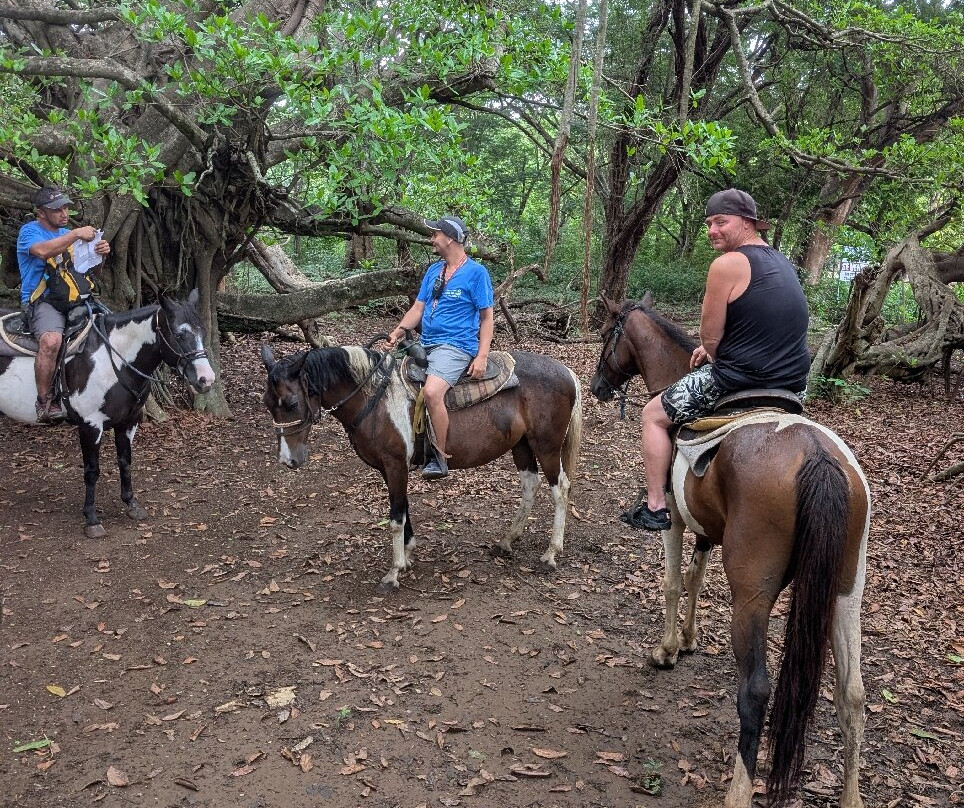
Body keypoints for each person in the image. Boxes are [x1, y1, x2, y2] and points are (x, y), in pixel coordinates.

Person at [632, 188, 810, 530]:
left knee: (653, 415)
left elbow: (710, 337)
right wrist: (717, 347)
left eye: (721, 222)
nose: (713, 230)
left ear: (747, 222)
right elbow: (765, 322)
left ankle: (655, 506)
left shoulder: (727, 264)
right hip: (793, 383)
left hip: (740, 378)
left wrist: (712, 350)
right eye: (709, 223)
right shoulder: (781, 260)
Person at [387, 215, 495, 480]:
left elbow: (487, 317)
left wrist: (481, 356)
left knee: (433, 393)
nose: (431, 239)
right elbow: (419, 308)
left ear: (449, 238)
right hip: (426, 343)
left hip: (456, 345)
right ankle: (408, 444)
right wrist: (400, 330)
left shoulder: (476, 273)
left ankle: (439, 456)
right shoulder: (434, 271)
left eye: (435, 234)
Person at [17, 186, 111, 422]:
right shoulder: (29, 232)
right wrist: (76, 234)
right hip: (43, 301)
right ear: (41, 212)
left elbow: (88, 269)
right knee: (52, 341)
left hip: (75, 297)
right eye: (57, 210)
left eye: (66, 208)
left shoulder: (70, 233)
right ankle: (44, 401)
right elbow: (42, 252)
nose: (64, 213)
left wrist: (101, 254)